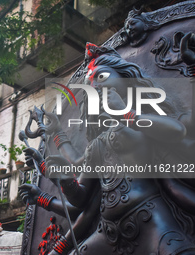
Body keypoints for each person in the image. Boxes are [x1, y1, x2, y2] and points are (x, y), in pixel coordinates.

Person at [19, 43, 195, 255]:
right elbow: (80, 194)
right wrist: (65, 177)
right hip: (108, 231)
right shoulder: (98, 143)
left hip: (152, 222)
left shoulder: (142, 121)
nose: (95, 87)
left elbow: (176, 130)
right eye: (89, 84)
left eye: (101, 78)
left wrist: (126, 115)